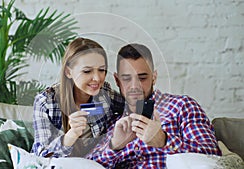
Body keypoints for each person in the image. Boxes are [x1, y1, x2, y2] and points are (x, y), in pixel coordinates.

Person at [86, 43, 221, 168]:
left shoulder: (182, 106)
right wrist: (114, 146)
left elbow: (212, 156)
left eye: (142, 77)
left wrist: (164, 141)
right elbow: (86, 164)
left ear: (154, 77)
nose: (135, 86)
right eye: (127, 78)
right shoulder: (113, 122)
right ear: (117, 80)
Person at [32, 37, 124, 158]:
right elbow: (42, 156)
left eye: (102, 70)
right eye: (87, 71)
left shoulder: (105, 94)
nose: (97, 78)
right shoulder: (46, 102)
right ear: (68, 72)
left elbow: (132, 106)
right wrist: (72, 134)